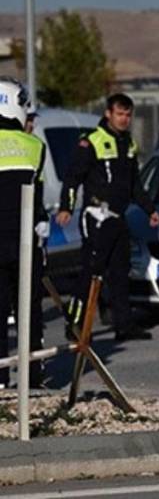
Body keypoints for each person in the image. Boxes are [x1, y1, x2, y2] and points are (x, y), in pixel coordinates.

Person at [57, 93, 159, 342]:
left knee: (120, 271)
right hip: (96, 216)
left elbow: (135, 184)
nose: (124, 119)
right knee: (92, 271)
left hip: (117, 217)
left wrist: (149, 209)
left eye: (127, 114)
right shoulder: (91, 142)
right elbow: (73, 177)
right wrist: (66, 207)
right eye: (119, 114)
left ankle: (123, 324)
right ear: (108, 114)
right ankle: (76, 323)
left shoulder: (128, 144)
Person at [0, 80, 47, 388]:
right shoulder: (34, 147)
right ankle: (32, 377)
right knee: (28, 313)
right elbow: (38, 199)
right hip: (24, 243)